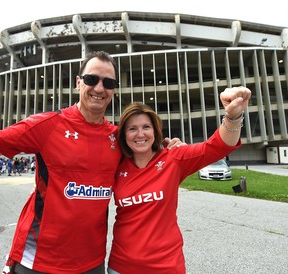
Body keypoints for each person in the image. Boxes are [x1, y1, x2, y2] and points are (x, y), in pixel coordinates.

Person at [0, 51, 183, 274]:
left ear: (114, 89)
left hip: (91, 263)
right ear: (78, 82)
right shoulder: (47, 125)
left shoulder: (117, 138)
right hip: (39, 261)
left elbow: (145, 155)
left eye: (108, 82)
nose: (99, 88)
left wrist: (169, 148)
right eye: (92, 79)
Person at [107, 87, 251, 274]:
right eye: (132, 128)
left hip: (165, 267)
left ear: (155, 131)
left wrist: (233, 117)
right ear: (124, 135)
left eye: (146, 127)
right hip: (121, 267)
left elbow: (218, 147)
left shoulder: (173, 159)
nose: (140, 134)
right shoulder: (115, 165)